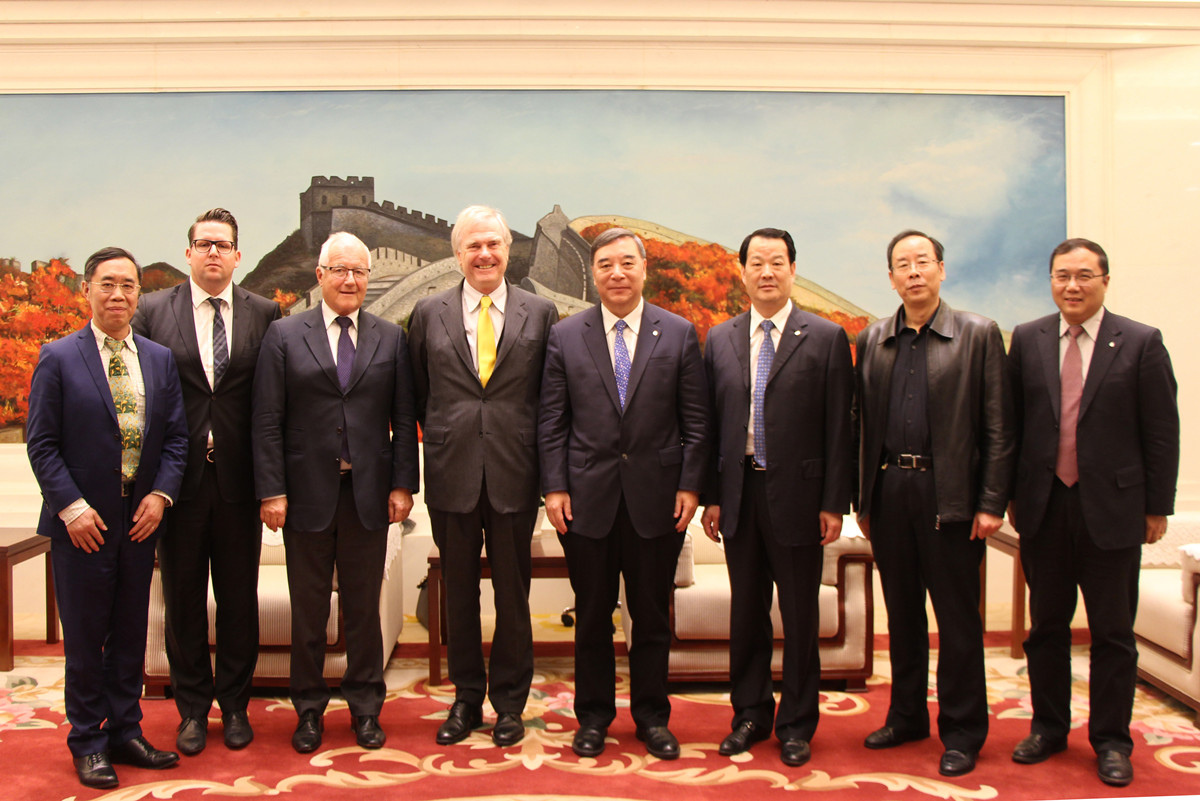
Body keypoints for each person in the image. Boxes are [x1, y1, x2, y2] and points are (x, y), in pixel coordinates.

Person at [1007, 238, 1179, 788]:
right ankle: (1048, 729)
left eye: (1084, 275)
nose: (1072, 286)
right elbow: (1011, 424)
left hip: (1114, 509)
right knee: (1046, 629)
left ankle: (1111, 741)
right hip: (1044, 506)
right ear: (1051, 282)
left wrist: (1157, 507)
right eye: (1062, 276)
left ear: (1105, 280)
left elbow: (1161, 431)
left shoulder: (1141, 342)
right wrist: (1008, 495)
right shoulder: (1028, 339)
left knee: (1112, 633)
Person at [538, 227, 710, 760]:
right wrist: (554, 487)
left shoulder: (677, 333)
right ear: (593, 273)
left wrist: (691, 485)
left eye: (627, 263)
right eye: (606, 264)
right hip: (585, 500)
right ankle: (592, 718)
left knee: (651, 617)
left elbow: (696, 421)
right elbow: (551, 421)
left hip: (657, 500)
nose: (617, 273)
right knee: (591, 617)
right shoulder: (566, 335)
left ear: (643, 268)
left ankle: (653, 718)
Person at [27, 247, 189, 789]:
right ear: (87, 290)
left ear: (139, 294)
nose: (118, 294)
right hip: (82, 524)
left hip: (139, 519)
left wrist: (160, 496)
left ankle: (125, 731)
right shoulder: (58, 357)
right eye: (107, 284)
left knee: (129, 633)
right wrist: (71, 509)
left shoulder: (159, 359)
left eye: (128, 285)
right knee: (85, 637)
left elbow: (176, 439)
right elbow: (42, 444)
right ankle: (88, 742)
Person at [252, 231, 419, 754]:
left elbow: (404, 418)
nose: (350, 280)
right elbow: (267, 419)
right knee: (308, 611)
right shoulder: (284, 335)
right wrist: (272, 491)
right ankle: (308, 710)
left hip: (369, 494)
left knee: (363, 610)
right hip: (304, 496)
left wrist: (403, 484)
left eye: (359, 272)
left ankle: (366, 708)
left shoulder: (390, 338)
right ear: (320, 275)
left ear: (369, 278)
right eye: (340, 270)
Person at [855, 229, 1014, 777]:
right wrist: (863, 501)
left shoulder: (978, 334)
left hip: (953, 498)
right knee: (902, 616)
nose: (914, 272)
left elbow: (999, 427)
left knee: (957, 621)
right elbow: (860, 426)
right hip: (890, 493)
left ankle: (963, 731)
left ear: (941, 269)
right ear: (891, 278)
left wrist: (991, 502)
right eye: (903, 264)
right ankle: (906, 717)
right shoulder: (873, 339)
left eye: (923, 261)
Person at [700, 228, 854, 767]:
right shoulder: (719, 338)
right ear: (742, 271)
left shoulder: (826, 337)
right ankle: (749, 714)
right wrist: (712, 496)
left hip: (801, 496)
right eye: (757, 263)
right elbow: (710, 425)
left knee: (799, 616)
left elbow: (841, 427)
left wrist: (834, 502)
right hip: (739, 492)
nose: (767, 272)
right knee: (746, 614)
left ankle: (796, 724)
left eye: (777, 262)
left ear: (792, 269)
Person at [133, 208, 281, 755]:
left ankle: (236, 706)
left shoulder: (264, 312)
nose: (213, 252)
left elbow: (273, 404)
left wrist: (274, 484)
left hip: (241, 482)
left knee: (240, 601)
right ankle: (192, 710)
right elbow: (141, 399)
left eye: (223, 244)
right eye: (204, 244)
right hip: (178, 484)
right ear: (189, 253)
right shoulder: (153, 310)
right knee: (184, 600)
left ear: (238, 255)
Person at [408, 205, 558, 747]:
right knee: (460, 595)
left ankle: (511, 704)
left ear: (508, 250)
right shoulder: (428, 313)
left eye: (493, 243)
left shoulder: (541, 313)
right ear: (457, 254)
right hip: (451, 473)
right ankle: (467, 699)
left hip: (517, 473)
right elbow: (419, 396)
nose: (484, 254)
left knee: (514, 595)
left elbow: (550, 400)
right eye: (473, 245)